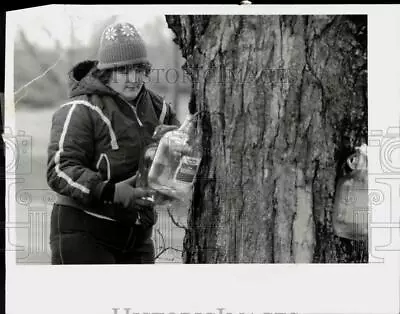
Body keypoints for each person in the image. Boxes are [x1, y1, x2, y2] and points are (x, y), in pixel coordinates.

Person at [46, 21, 180, 264]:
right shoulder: (81, 108)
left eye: (139, 69)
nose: (133, 78)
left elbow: (177, 155)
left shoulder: (159, 110)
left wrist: (170, 168)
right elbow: (59, 169)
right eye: (123, 70)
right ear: (107, 71)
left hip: (137, 236)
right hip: (83, 231)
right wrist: (110, 191)